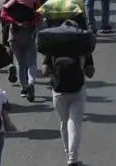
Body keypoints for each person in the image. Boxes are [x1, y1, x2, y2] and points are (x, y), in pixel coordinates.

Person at [40, 21, 95, 166]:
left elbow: (45, 71)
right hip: (78, 89)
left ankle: (68, 155)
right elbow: (90, 73)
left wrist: (55, 72)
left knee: (64, 123)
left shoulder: (53, 48)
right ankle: (73, 158)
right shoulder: (83, 48)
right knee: (75, 122)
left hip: (58, 90)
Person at [0, 0, 40, 100]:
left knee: (20, 63)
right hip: (29, 34)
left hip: (15, 35)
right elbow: (39, 15)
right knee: (32, 62)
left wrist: (15, 22)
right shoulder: (35, 1)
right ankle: (31, 83)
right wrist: (31, 22)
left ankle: (23, 88)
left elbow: (3, 14)